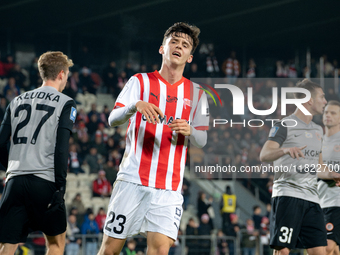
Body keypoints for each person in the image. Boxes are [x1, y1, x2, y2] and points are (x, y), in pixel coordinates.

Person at [97, 22, 209, 255]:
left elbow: (202, 140)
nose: (179, 46)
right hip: (132, 180)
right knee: (110, 250)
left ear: (189, 57)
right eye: (174, 41)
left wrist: (191, 130)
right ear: (162, 48)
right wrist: (134, 106)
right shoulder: (139, 81)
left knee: (159, 251)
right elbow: (112, 119)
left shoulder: (198, 94)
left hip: (169, 187)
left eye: (185, 45)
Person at [0, 51, 76, 255]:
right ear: (61, 74)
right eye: (67, 73)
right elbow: (61, 149)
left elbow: (0, 143)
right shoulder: (65, 102)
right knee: (56, 244)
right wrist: (60, 186)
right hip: (45, 181)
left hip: (15, 180)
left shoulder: (15, 101)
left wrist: (10, 167)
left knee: (8, 244)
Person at [260, 79, 340, 255]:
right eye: (322, 97)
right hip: (288, 196)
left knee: (322, 251)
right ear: (309, 100)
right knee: (283, 251)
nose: (325, 101)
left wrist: (334, 175)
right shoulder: (284, 125)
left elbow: (319, 168)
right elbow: (264, 155)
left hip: (312, 200)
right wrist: (285, 150)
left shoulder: (318, 130)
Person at [318, 100, 340, 255]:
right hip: (319, 201)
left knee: (326, 247)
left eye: (333, 113)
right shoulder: (316, 141)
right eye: (326, 112)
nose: (328, 115)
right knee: (332, 249)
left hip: (336, 202)